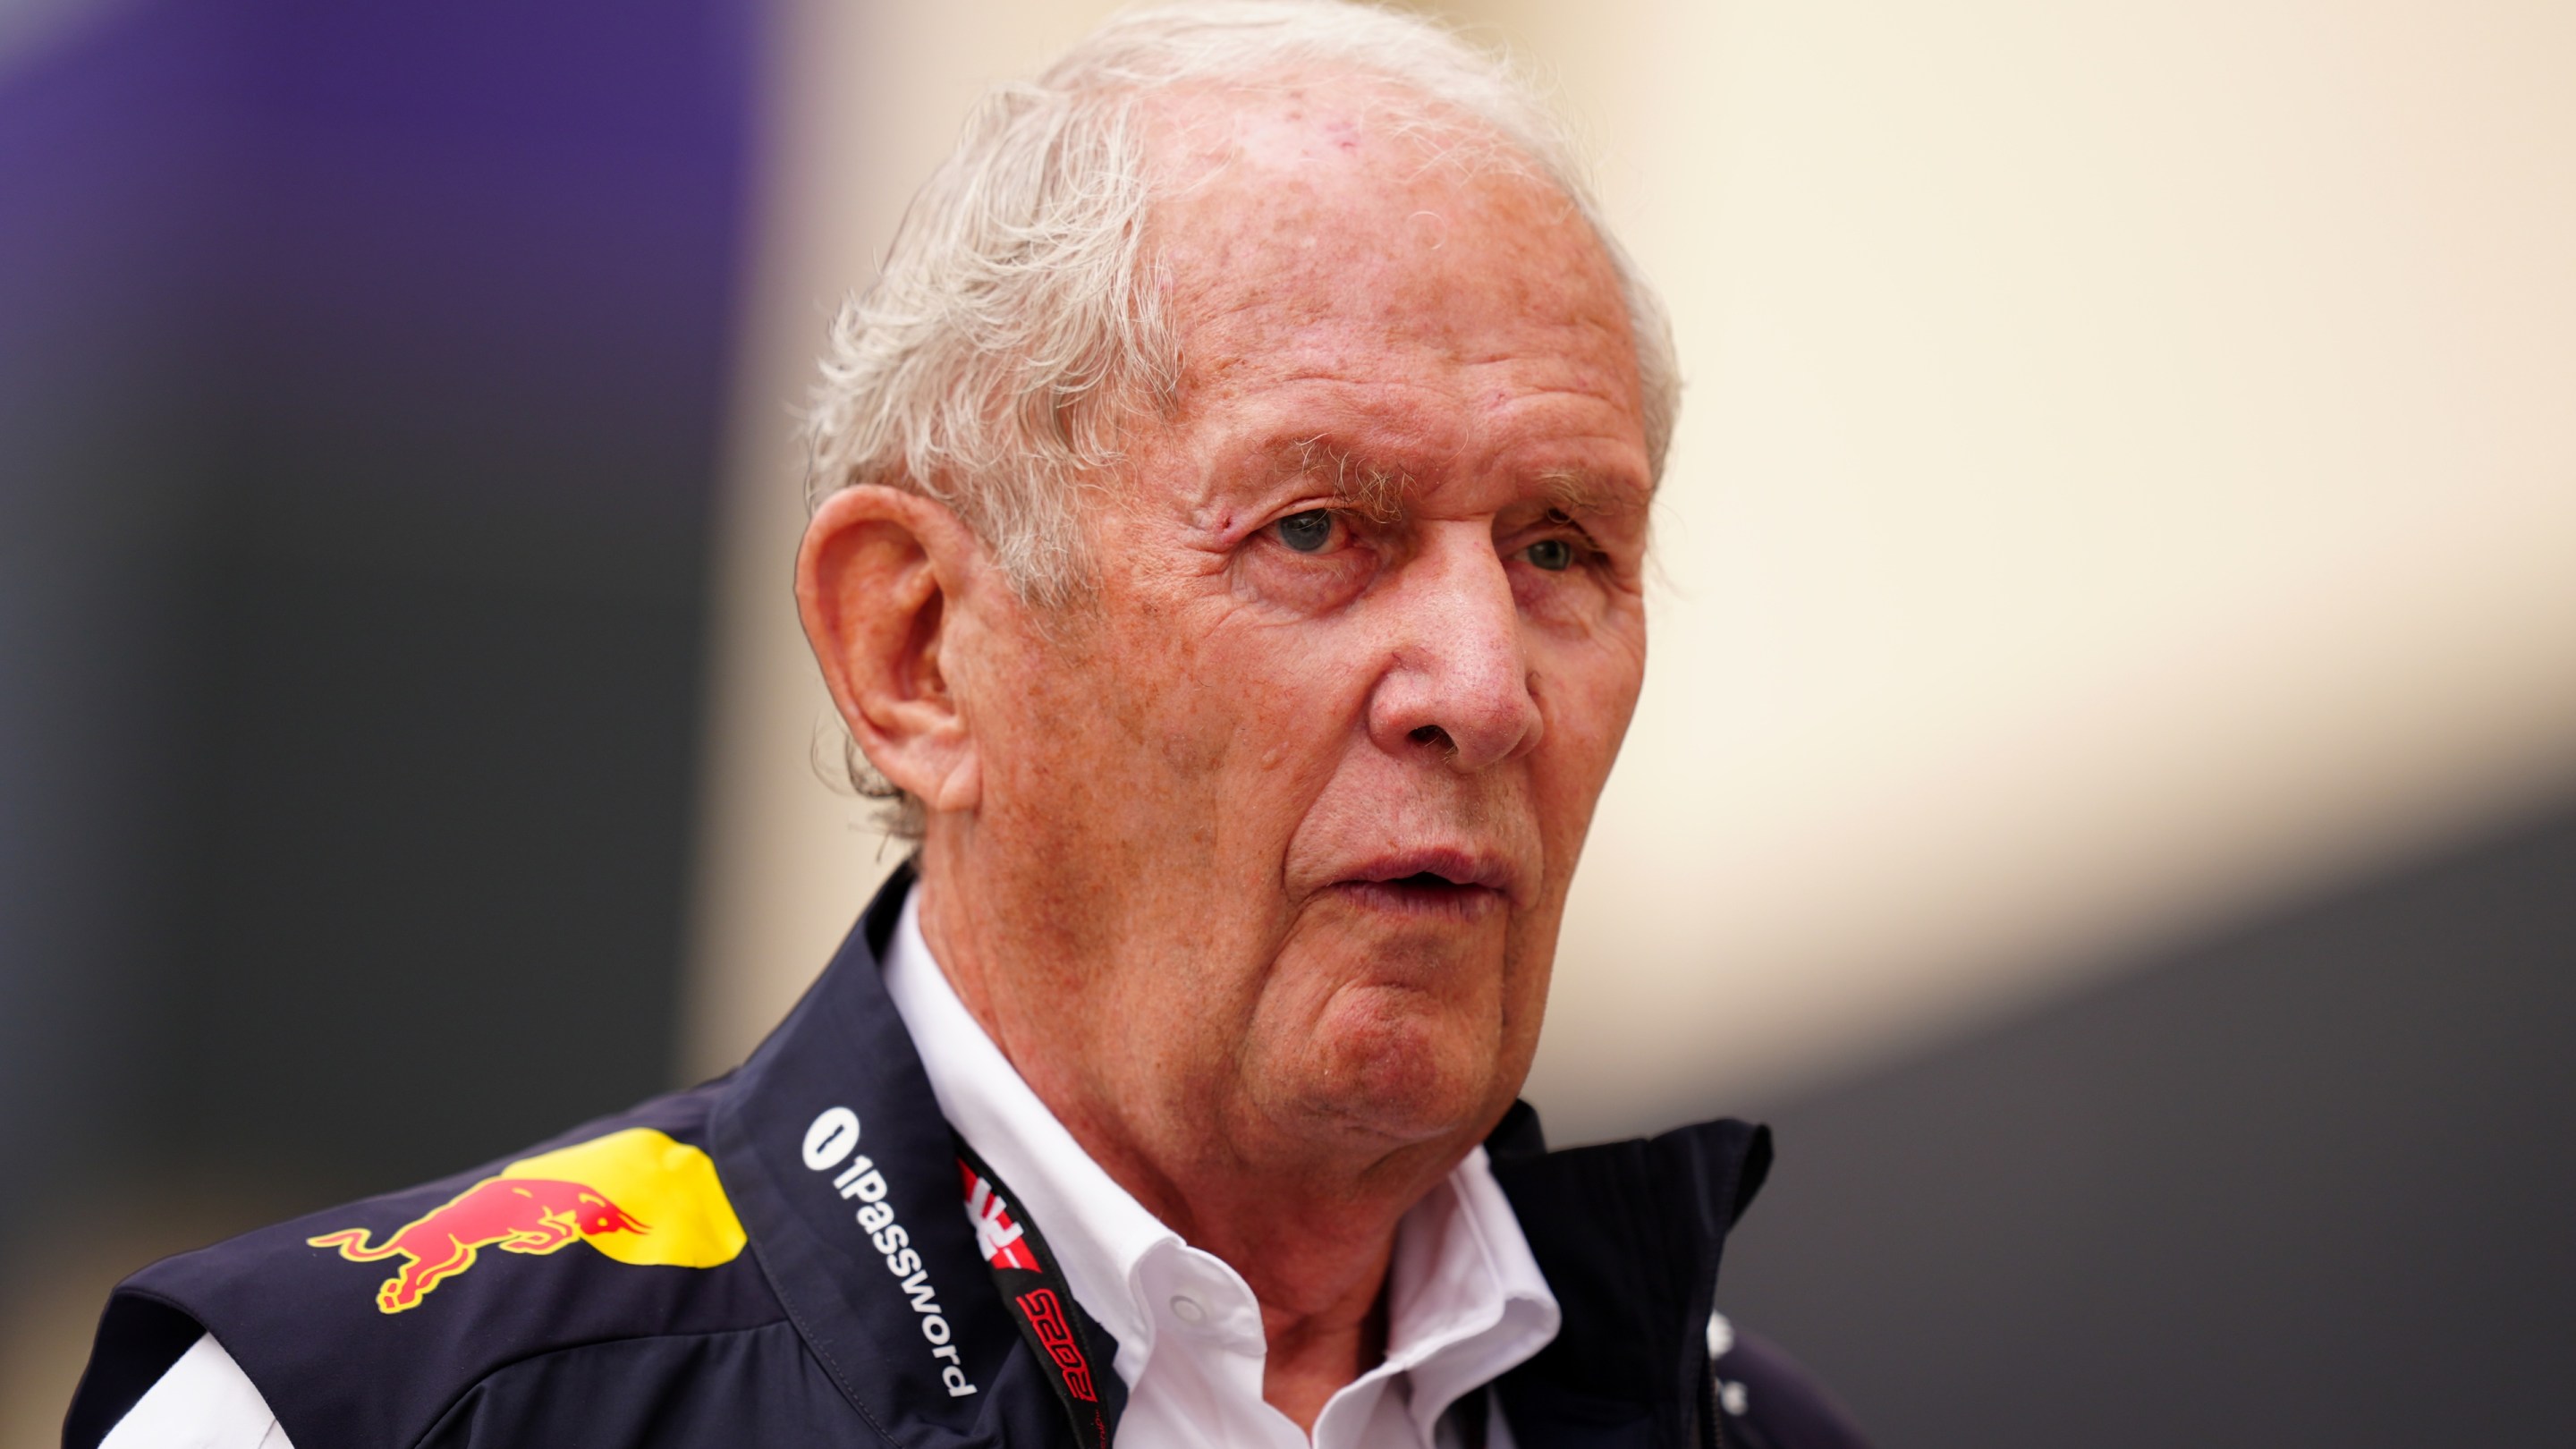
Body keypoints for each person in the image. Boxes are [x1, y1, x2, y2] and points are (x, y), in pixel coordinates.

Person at [67, 4, 1870, 1446]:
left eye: (1560, 549)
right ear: (919, 650)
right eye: (1320, 529)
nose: (1481, 687)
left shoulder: (1753, 1432)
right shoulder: (378, 1411)